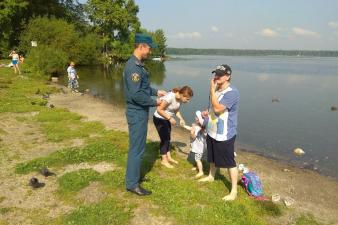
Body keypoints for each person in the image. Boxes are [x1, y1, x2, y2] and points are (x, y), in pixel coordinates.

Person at [123, 33, 167, 196]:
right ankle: (132, 184)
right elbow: (136, 95)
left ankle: (134, 178)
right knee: (137, 149)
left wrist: (157, 92)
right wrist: (156, 103)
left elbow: (143, 88)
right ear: (141, 46)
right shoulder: (133, 67)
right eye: (149, 48)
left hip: (139, 112)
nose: (150, 51)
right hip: (136, 113)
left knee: (138, 147)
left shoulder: (138, 65)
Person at [198, 64, 240, 201]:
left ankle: (233, 191)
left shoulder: (232, 93)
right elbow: (212, 107)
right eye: (215, 74)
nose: (216, 77)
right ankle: (211, 175)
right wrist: (206, 111)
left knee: (229, 162)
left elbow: (218, 109)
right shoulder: (216, 90)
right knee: (212, 156)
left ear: (228, 76)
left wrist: (211, 89)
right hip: (212, 130)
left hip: (225, 133)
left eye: (220, 75)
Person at [153, 86, 193, 168]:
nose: (188, 101)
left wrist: (181, 119)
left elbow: (176, 110)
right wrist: (170, 118)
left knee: (168, 138)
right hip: (159, 118)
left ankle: (168, 157)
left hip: (166, 119)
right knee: (164, 139)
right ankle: (164, 160)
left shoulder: (179, 99)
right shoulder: (170, 97)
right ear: (182, 95)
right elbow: (159, 109)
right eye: (187, 99)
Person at [189, 111, 207, 178]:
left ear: (199, 120)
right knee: (200, 158)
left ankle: (200, 172)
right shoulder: (203, 128)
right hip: (202, 148)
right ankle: (198, 167)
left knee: (197, 159)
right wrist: (184, 125)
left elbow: (193, 136)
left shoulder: (197, 128)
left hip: (198, 148)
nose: (195, 118)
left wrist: (192, 130)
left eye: (196, 117)